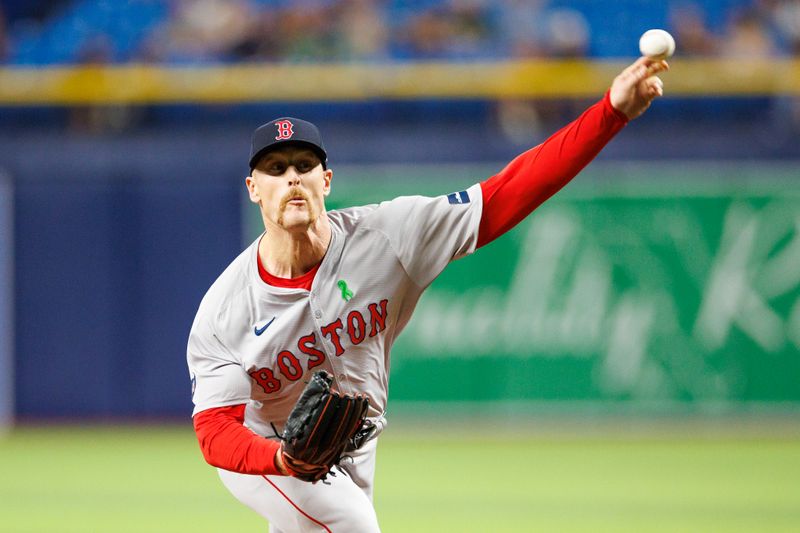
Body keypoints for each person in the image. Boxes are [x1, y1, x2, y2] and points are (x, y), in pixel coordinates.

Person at [187, 56, 668, 532]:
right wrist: (282, 458)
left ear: (326, 180)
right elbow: (214, 430)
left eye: (304, 164)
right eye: (275, 168)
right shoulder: (226, 310)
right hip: (263, 445)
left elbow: (508, 192)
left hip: (354, 441)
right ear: (254, 188)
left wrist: (611, 112)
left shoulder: (389, 235)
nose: (292, 176)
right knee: (352, 523)